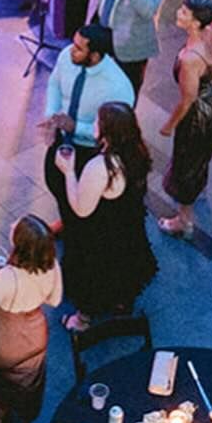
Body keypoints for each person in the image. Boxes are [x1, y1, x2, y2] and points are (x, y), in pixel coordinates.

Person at [57, 102, 157, 331]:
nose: (93, 123)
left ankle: (82, 320)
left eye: (97, 121)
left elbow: (81, 208)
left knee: (94, 274)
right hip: (127, 227)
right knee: (121, 269)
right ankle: (121, 302)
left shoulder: (102, 167)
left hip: (102, 233)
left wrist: (68, 171)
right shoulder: (136, 154)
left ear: (108, 132)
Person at [0, 215, 62, 423]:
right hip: (36, 333)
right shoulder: (52, 265)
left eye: (16, 226)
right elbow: (55, 300)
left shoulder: (6, 278)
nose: (11, 225)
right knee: (26, 386)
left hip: (6, 338)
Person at [40, 22, 134, 217]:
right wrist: (51, 115)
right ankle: (65, 219)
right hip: (62, 139)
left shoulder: (118, 87)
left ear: (95, 56)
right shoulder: (67, 56)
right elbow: (54, 84)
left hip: (89, 150)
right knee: (57, 184)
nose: (70, 50)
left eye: (78, 48)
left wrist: (77, 127)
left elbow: (116, 133)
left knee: (84, 204)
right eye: (74, 43)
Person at [158, 0, 212, 236]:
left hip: (201, 113)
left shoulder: (189, 59)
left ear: (197, 22)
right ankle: (200, 187)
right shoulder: (210, 33)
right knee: (202, 153)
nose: (178, 13)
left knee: (186, 161)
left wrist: (169, 124)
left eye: (185, 12)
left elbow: (188, 99)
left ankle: (184, 220)